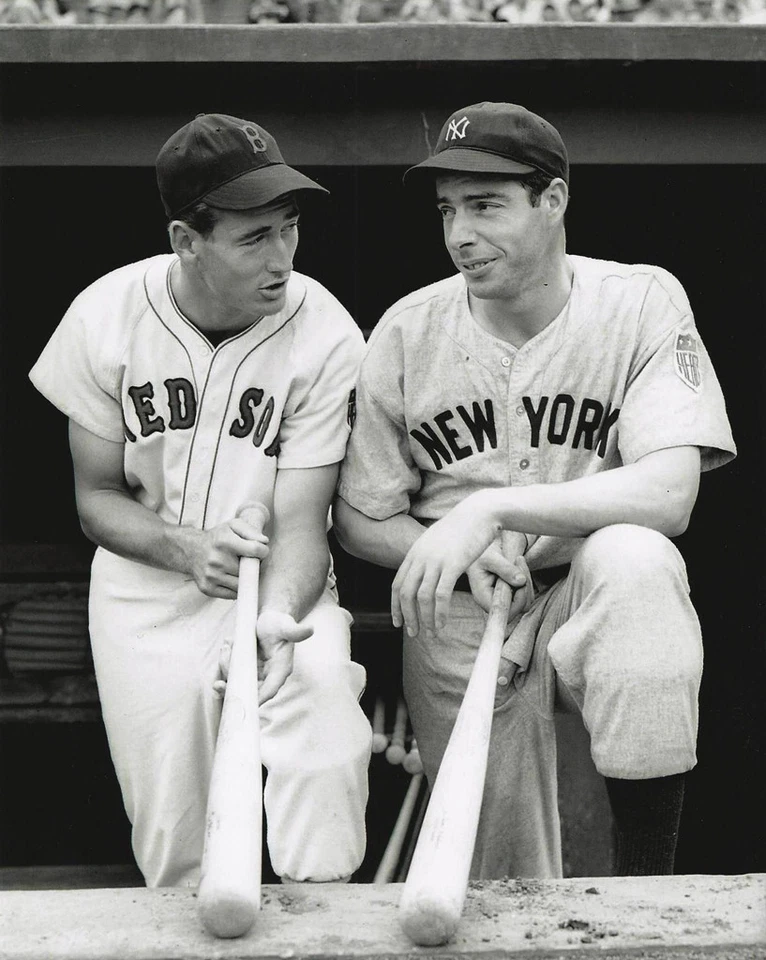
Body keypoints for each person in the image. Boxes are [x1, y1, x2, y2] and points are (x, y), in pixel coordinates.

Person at [334, 101, 736, 879]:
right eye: (448, 210)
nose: (459, 235)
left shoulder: (639, 300)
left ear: (552, 200)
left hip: (582, 585)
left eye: (485, 206)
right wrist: (438, 547)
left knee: (637, 562)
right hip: (463, 608)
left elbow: (671, 492)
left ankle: (647, 899)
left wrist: (491, 508)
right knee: (498, 878)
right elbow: (357, 512)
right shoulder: (408, 330)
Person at [29, 113, 371, 888]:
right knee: (178, 847)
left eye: (288, 229)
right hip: (145, 594)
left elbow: (301, 522)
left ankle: (324, 929)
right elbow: (95, 499)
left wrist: (279, 620)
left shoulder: (324, 331)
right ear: (188, 241)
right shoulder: (106, 314)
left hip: (280, 580)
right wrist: (185, 547)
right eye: (254, 239)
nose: (283, 256)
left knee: (323, 730)